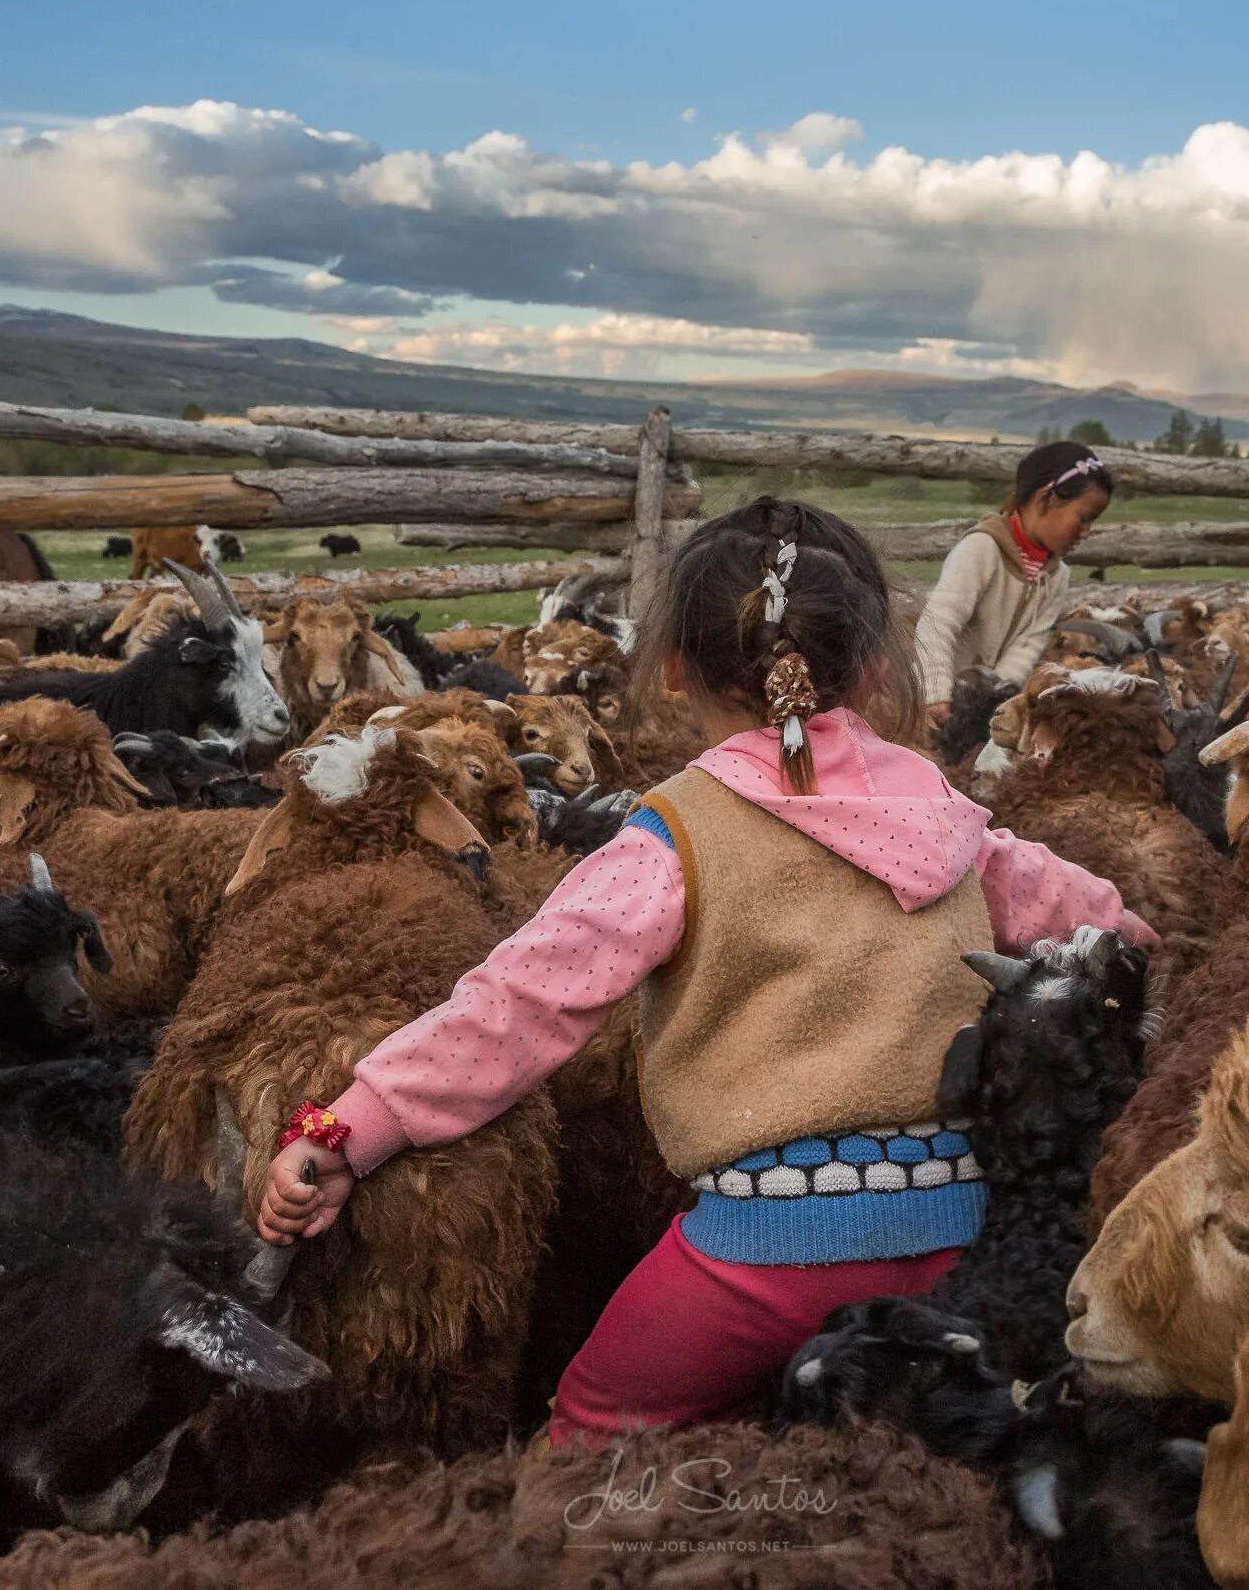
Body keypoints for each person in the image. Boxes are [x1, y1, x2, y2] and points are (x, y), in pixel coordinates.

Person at [255, 496, 1155, 1447]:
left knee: (592, 1436)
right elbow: (1108, 931)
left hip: (759, 1254)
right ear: (873, 661)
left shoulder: (675, 833)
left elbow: (519, 1003)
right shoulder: (944, 811)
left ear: (675, 666)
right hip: (960, 1236)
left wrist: (347, 1127)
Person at [913, 439, 1117, 726]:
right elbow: (938, 623)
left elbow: (1027, 646)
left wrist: (998, 700)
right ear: (1046, 499)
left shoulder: (1056, 576)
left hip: (980, 705)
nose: (1086, 532)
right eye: (1083, 518)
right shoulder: (982, 549)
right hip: (934, 700)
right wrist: (934, 694)